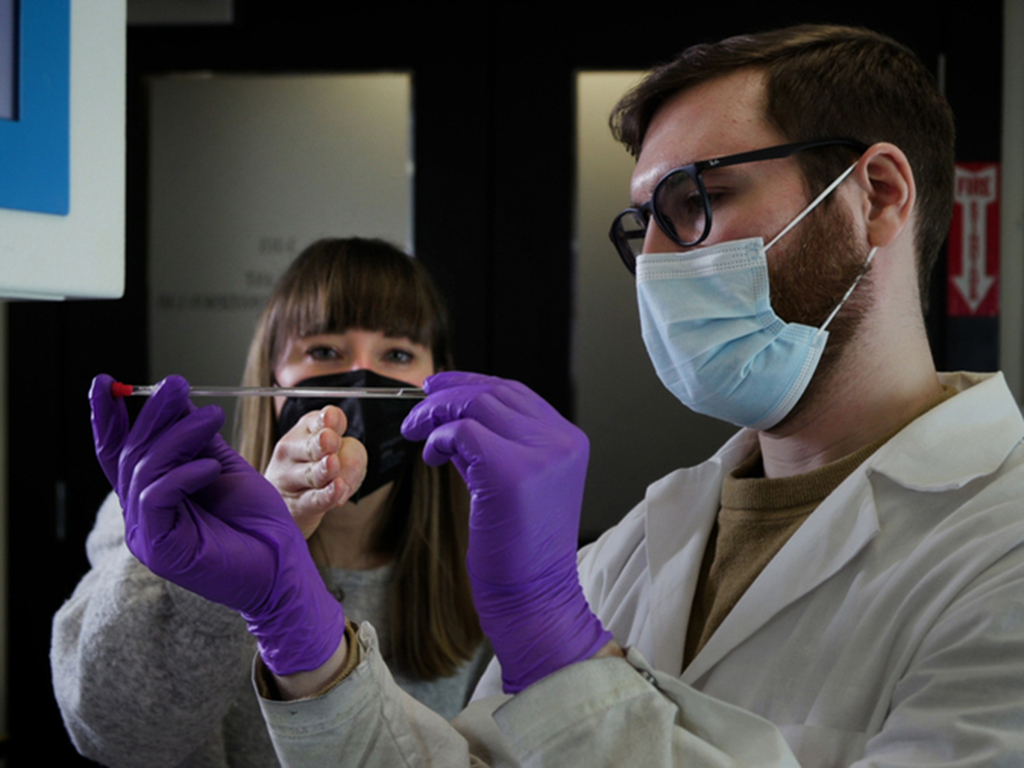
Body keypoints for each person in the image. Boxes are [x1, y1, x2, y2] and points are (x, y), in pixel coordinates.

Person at [83, 24, 1024, 766]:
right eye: (643, 222)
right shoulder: (642, 546)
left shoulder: (1000, 553)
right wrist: (304, 637)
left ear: (881, 195)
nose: (654, 263)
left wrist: (557, 643)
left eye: (698, 199)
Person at [52, 238, 488, 767]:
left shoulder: (481, 551)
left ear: (433, 384)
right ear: (271, 376)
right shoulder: (165, 513)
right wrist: (219, 572)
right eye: (324, 351)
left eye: (397, 355)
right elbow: (116, 738)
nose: (358, 377)